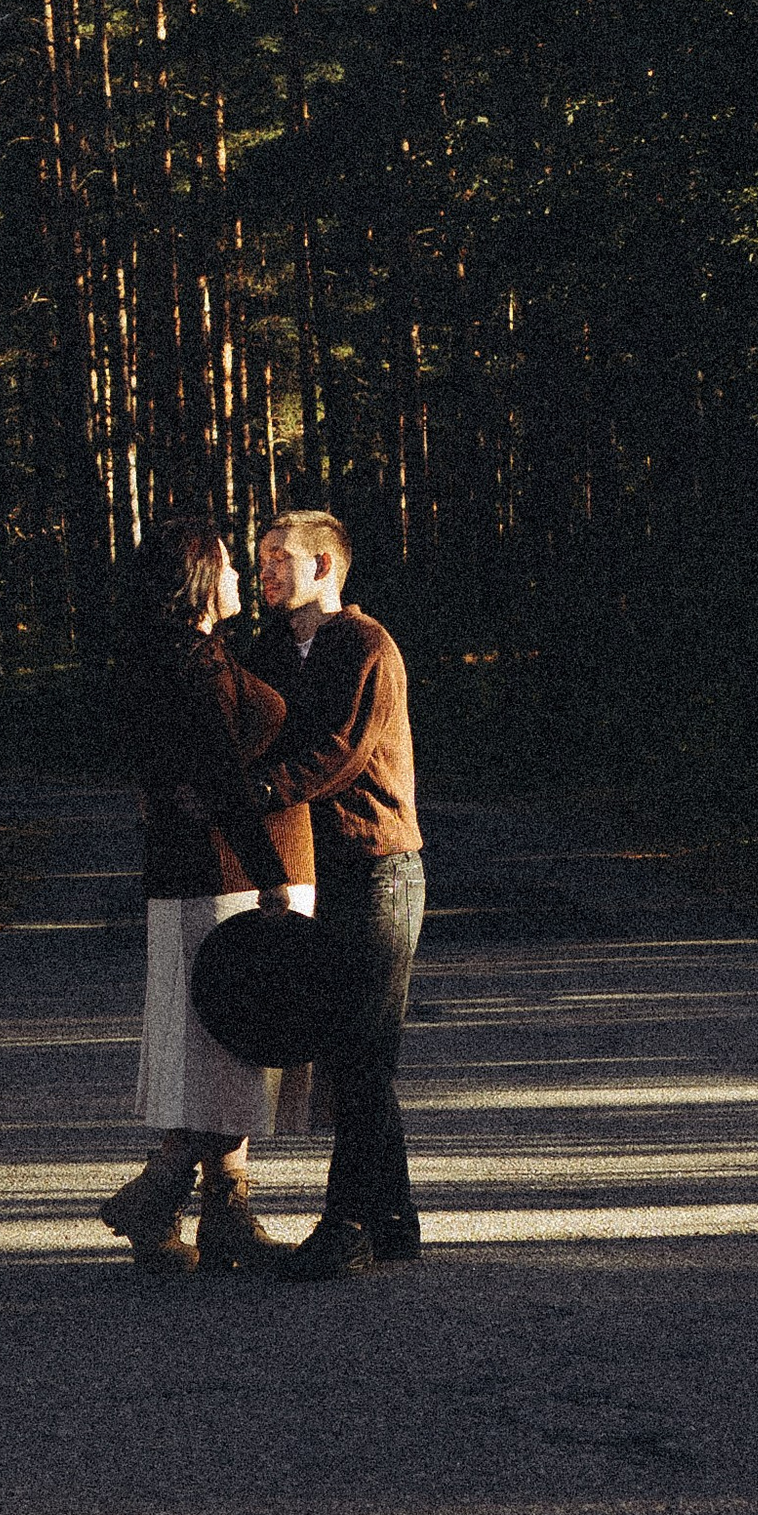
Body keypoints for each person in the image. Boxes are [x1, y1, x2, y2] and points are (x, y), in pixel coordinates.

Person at [100, 515, 315, 1273]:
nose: (237, 580)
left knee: (223, 1045)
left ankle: (210, 1210)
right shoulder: (193, 666)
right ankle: (164, 1192)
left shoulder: (178, 658)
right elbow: (223, 780)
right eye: (227, 566)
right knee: (233, 1043)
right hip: (223, 879)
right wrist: (273, 879)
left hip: (192, 875)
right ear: (197, 579)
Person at [243, 508, 426, 1281]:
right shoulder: (272, 650)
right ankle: (395, 1219)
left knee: (363, 1049)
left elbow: (342, 753)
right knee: (350, 1053)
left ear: (327, 567)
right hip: (319, 870)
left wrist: (259, 790)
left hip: (379, 865)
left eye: (281, 558)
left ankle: (347, 1222)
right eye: (260, 559)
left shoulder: (366, 645)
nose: (267, 572)